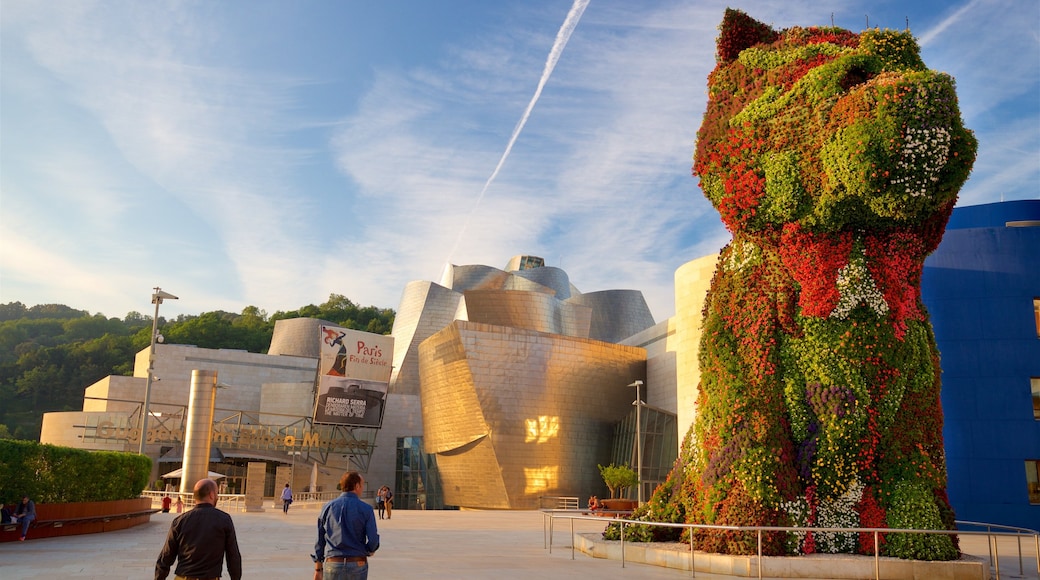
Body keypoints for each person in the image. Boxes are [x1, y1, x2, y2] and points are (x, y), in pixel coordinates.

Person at [155, 478, 242, 580]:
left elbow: (166, 556)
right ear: (211, 495)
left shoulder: (180, 521)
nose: (217, 497)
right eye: (217, 493)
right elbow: (233, 556)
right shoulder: (224, 520)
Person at [313, 471, 379, 580]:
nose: (362, 488)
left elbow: (320, 540)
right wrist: (367, 550)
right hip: (357, 562)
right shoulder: (366, 509)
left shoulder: (327, 507)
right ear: (357, 486)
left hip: (333, 562)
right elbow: (373, 540)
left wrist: (318, 569)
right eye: (362, 485)